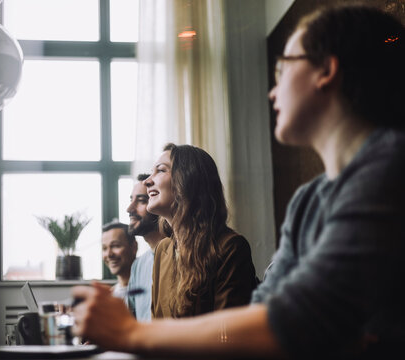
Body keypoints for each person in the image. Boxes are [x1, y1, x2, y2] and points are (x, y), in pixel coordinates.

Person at [72, 4, 405, 358]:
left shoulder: (391, 168)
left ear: (326, 71)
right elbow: (262, 313)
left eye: (283, 67)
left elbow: (298, 320)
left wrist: (128, 332)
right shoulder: (308, 199)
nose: (272, 92)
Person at [147, 143, 257, 318]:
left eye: (160, 170)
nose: (147, 181)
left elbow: (226, 333)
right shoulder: (163, 250)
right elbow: (156, 328)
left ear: (187, 180)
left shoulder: (230, 247)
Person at [126, 173, 163, 321]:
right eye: (131, 200)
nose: (129, 209)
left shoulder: (181, 257)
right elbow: (129, 321)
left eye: (141, 201)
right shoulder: (138, 265)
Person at [101, 221, 138, 300]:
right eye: (104, 248)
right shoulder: (108, 297)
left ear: (134, 247)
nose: (109, 254)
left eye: (115, 246)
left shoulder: (150, 287)